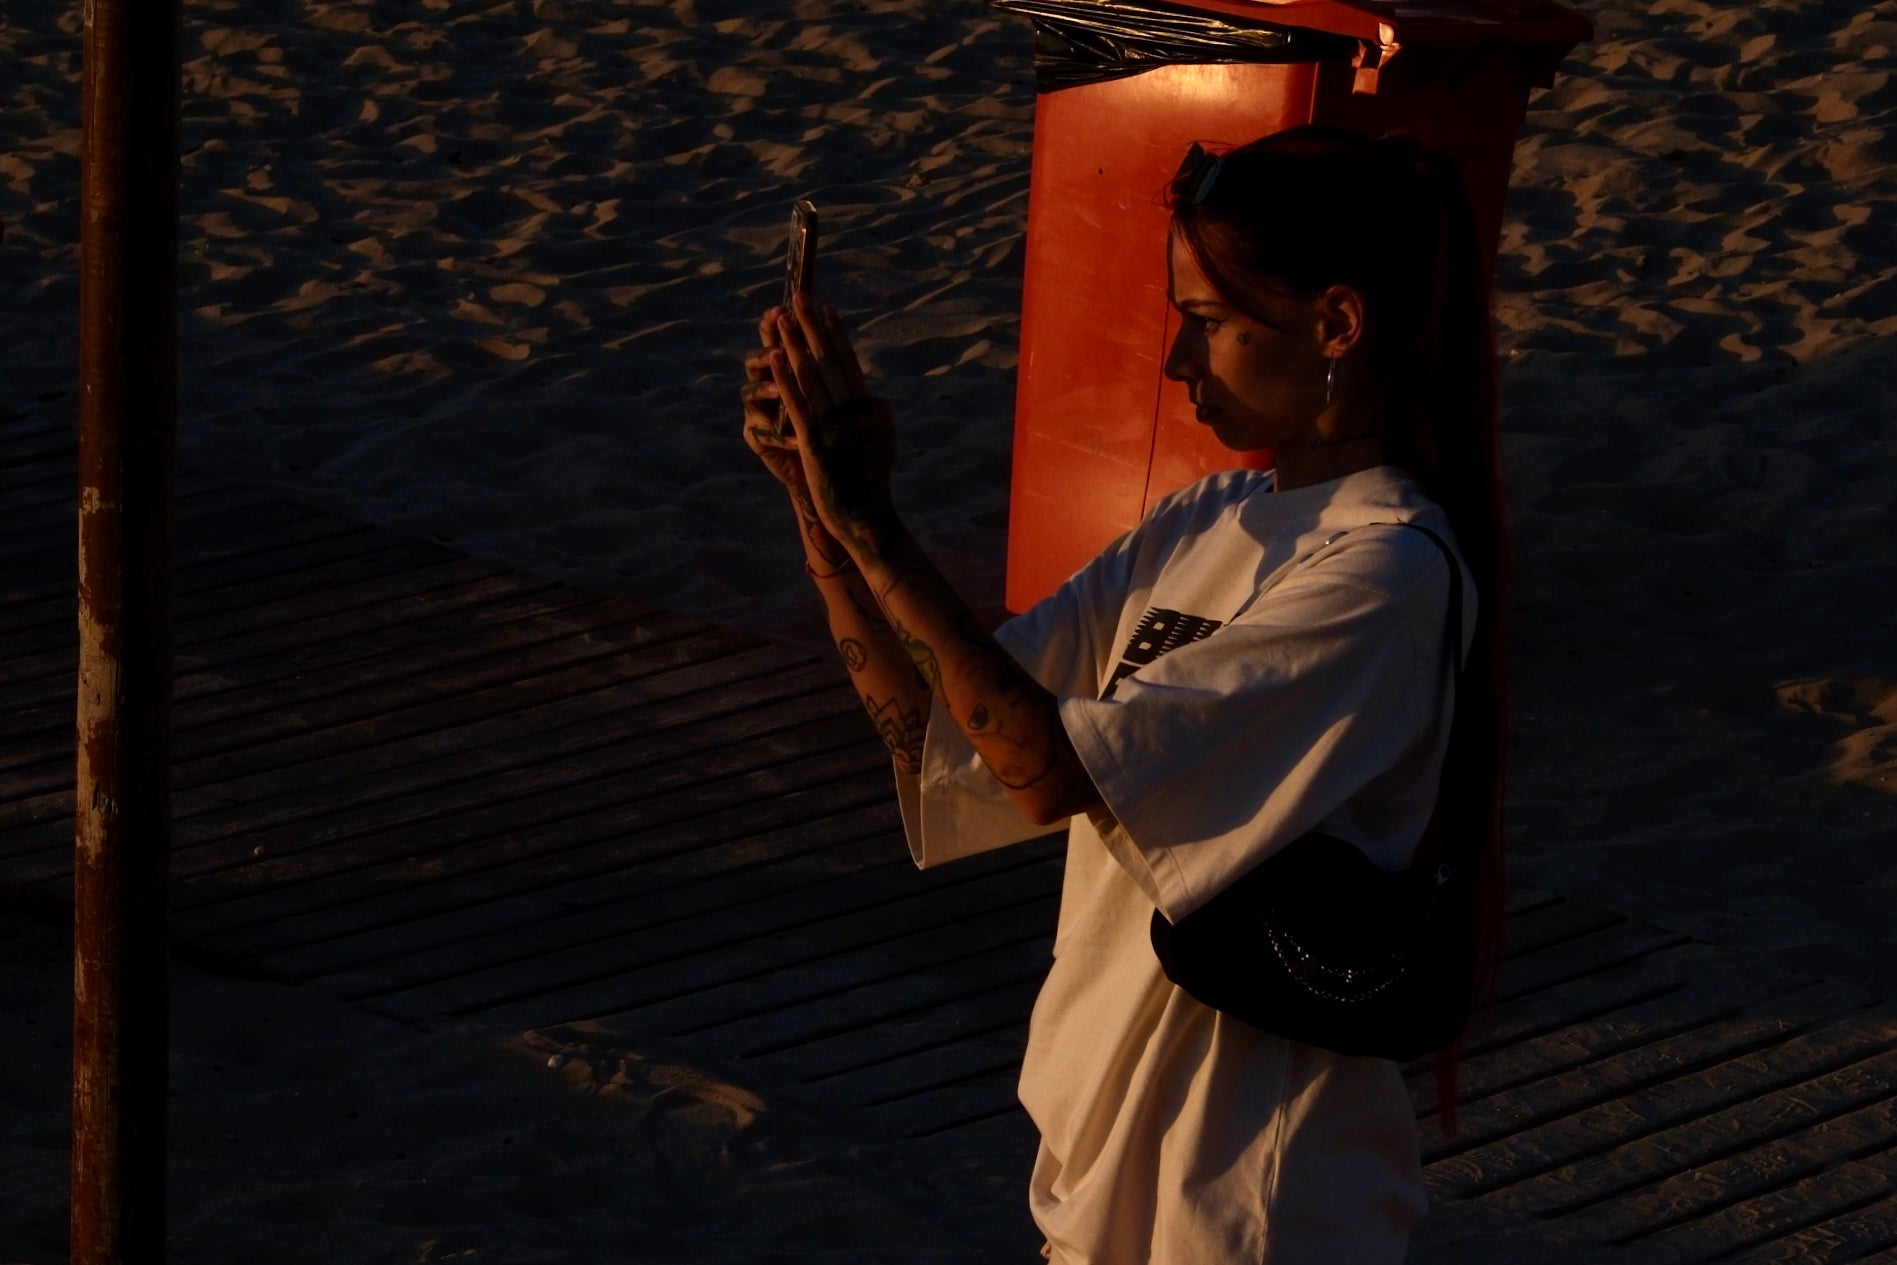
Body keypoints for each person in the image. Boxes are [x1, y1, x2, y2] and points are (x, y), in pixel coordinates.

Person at [737, 124, 1507, 1264]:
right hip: (1104, 1161)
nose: (1176, 363)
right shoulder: (1203, 522)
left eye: (1206, 321)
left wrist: (878, 526)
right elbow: (957, 739)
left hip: (1249, 1193)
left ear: (1337, 323)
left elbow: (1049, 771)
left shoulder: (1383, 571)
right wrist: (822, 519)